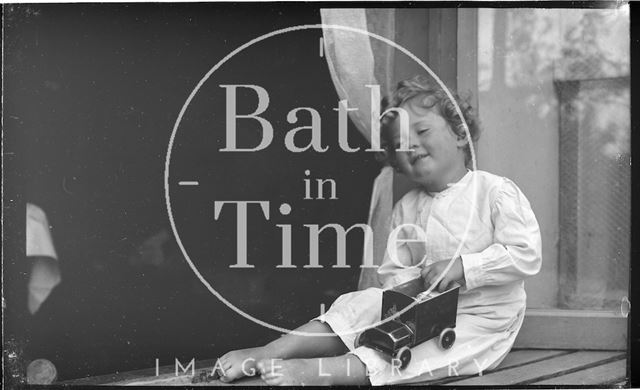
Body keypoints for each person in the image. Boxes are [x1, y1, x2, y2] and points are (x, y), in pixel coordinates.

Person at [214, 76, 542, 385]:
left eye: (423, 130)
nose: (411, 145)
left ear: (459, 134)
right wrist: (410, 289)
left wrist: (464, 267)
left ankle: (324, 371)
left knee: (428, 349)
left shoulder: (494, 191)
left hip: (485, 319)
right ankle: (271, 351)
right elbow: (395, 271)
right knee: (363, 303)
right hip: (422, 309)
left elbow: (525, 255)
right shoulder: (407, 207)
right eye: (400, 143)